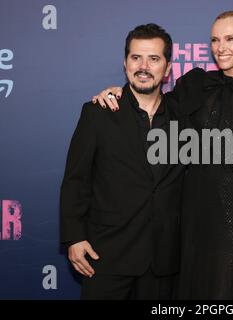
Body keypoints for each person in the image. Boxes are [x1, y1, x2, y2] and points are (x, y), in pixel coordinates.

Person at [93, 11, 233, 299]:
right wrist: (119, 93)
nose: (221, 47)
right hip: (194, 213)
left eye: (231, 38)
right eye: (215, 40)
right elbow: (153, 106)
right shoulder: (197, 84)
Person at [60, 24, 186, 299]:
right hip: (106, 255)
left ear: (167, 68)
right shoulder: (98, 112)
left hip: (164, 260)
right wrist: (74, 237)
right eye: (136, 57)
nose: (144, 66)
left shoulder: (185, 117)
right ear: (125, 63)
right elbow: (76, 180)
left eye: (154, 59)